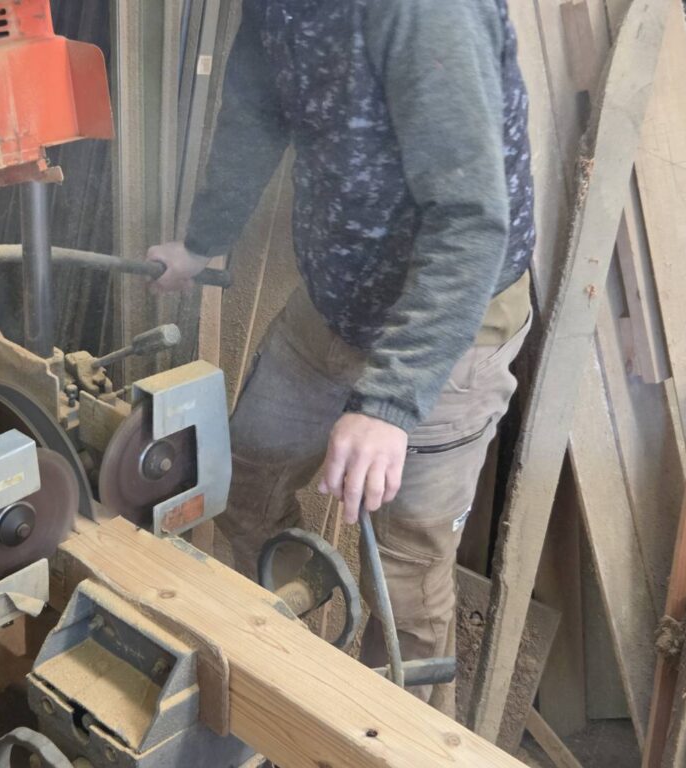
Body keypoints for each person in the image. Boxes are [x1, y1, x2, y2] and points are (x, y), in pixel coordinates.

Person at [147, 0, 535, 709]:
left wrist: (389, 403)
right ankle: (289, 675)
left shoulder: (427, 14)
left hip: (448, 332)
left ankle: (393, 736)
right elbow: (255, 111)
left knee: (406, 581)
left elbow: (471, 220)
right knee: (243, 483)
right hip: (334, 305)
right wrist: (203, 240)